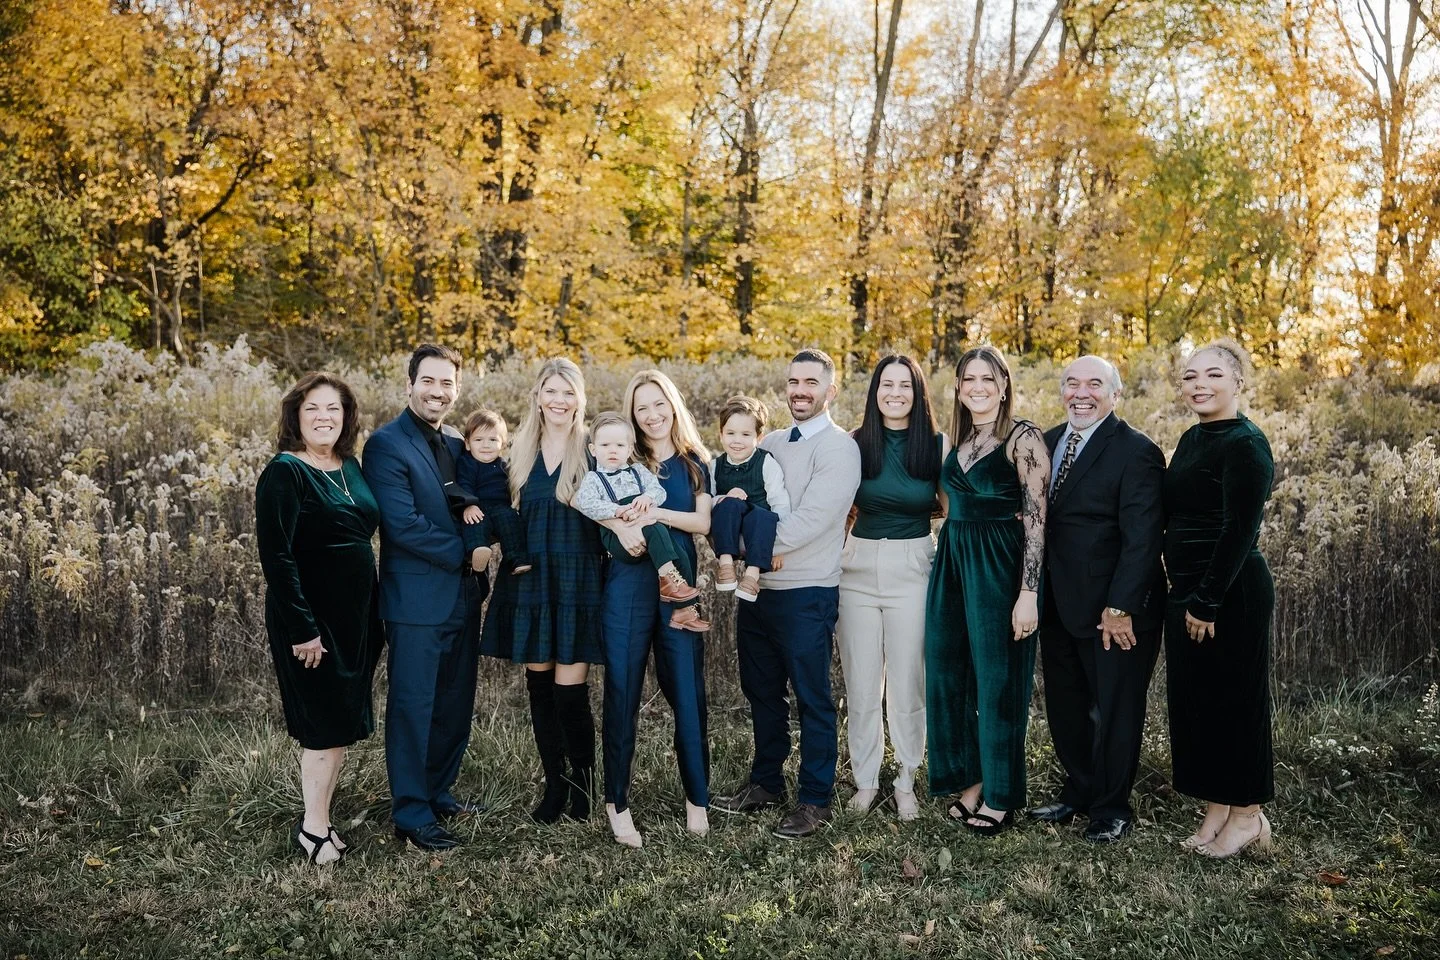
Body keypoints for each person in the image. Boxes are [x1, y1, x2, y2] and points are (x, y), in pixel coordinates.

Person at [713, 348, 862, 840]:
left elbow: (812, 521)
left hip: (807, 591)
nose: (800, 390)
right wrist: (738, 546)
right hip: (758, 591)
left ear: (830, 391)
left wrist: (748, 550)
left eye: (811, 382)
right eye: (794, 380)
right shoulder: (769, 440)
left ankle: (815, 798)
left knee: (812, 696)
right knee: (762, 691)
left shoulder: (839, 449)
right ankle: (765, 783)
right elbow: (735, 497)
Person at [1031, 355, 1166, 844]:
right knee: (1067, 708)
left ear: (1115, 394)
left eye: (1094, 384)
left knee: (1116, 710)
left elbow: (1144, 538)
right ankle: (1079, 791)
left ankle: (1112, 808)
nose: (1080, 393)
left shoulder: (1137, 451)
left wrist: (1120, 606)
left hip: (1116, 612)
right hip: (1059, 605)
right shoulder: (1046, 443)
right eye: (1071, 383)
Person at [361, 345, 489, 852]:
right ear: (410, 383)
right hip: (416, 600)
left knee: (455, 703)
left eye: (448, 384)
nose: (438, 392)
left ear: (457, 390)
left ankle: (438, 792)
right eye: (429, 381)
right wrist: (469, 551)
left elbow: (479, 499)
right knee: (414, 705)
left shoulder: (457, 442)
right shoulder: (386, 445)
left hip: (463, 594)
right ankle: (411, 814)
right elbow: (403, 526)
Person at [256, 372, 383, 865]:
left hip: (356, 618)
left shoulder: (349, 466)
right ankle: (312, 829)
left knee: (341, 724)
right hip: (312, 620)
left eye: (334, 409)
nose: (324, 418)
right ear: (296, 417)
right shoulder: (285, 472)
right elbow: (277, 557)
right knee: (323, 726)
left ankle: (322, 819)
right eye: (313, 409)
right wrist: (302, 628)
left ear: (346, 417)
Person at [926, 346, 1049, 836]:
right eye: (968, 379)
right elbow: (946, 503)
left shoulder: (1024, 437)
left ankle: (1000, 795)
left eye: (987, 378)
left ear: (1003, 385)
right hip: (953, 560)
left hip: (1001, 562)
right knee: (946, 670)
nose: (977, 386)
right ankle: (968, 779)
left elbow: (1039, 522)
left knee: (998, 680)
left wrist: (1029, 594)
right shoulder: (958, 440)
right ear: (958, 387)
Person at [479, 358, 604, 825]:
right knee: (540, 689)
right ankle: (554, 787)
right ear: (537, 395)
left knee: (571, 692)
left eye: (568, 392)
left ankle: (583, 787)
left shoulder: (593, 449)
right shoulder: (517, 454)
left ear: (580, 398)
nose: (559, 400)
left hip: (577, 582)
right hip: (530, 580)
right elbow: (495, 510)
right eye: (551, 390)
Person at [1164, 340, 1276, 858]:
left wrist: (1206, 601)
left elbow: (1239, 529)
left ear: (1237, 382)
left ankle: (1248, 816)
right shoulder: (1191, 439)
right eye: (1190, 377)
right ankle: (1215, 810)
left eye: (1212, 374)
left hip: (1229, 594)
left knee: (1236, 703)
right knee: (1199, 705)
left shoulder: (1246, 444)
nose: (1199, 385)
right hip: (1186, 589)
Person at [598, 370, 715, 848]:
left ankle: (697, 798)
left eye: (658, 404)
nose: (651, 415)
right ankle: (617, 802)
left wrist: (655, 513)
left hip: (677, 586)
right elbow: (588, 498)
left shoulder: (694, 463)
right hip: (627, 585)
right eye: (641, 407)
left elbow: (703, 523)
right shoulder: (621, 456)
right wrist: (616, 520)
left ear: (673, 405)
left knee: (687, 691)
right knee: (622, 690)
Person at [837, 354, 943, 822]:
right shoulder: (855, 444)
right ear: (874, 391)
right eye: (886, 385)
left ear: (918, 393)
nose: (895, 393)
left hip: (913, 565)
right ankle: (865, 781)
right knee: (861, 683)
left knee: (907, 683)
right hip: (856, 566)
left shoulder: (936, 446)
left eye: (905, 385)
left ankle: (905, 781)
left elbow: (953, 508)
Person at [576, 411, 709, 632]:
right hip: (619, 540)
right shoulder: (593, 479)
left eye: (619, 445)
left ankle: (684, 610)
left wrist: (647, 498)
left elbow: (658, 491)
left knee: (681, 553)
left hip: (646, 528)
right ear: (593, 449)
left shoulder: (638, 471)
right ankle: (668, 580)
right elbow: (585, 503)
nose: (612, 450)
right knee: (655, 528)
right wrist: (616, 510)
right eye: (605, 445)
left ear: (629, 449)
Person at [709, 396, 791, 602]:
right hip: (731, 528)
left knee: (762, 517)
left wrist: (779, 547)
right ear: (720, 435)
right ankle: (726, 565)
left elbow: (780, 503)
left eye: (746, 434)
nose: (737, 440)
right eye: (730, 433)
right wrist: (723, 497)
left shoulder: (766, 463)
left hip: (760, 529)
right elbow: (706, 501)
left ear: (759, 436)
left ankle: (751, 577)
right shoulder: (714, 467)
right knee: (727, 505)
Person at [454, 409, 533, 575]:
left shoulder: (504, 466)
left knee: (511, 523)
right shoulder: (467, 463)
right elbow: (464, 484)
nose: (485, 445)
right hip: (478, 506)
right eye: (478, 440)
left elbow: (514, 486)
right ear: (467, 444)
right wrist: (469, 506)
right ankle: (476, 553)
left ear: (503, 444)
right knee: (474, 524)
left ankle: (517, 558)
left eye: (492, 439)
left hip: (500, 507)